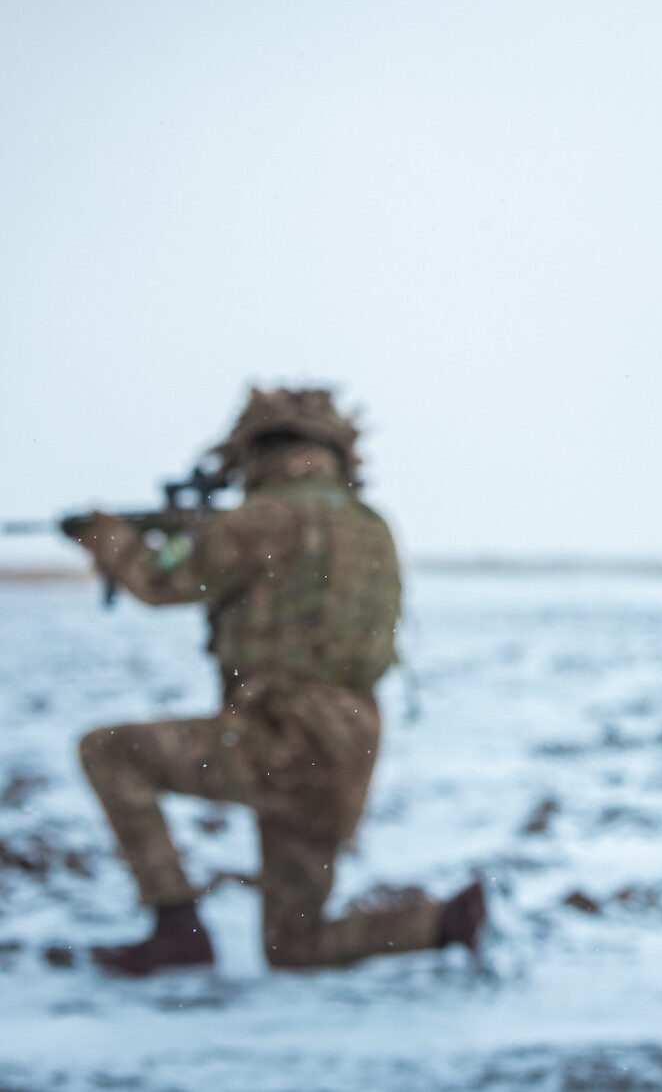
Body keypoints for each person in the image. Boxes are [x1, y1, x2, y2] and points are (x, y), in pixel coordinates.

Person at [72, 387, 485, 975]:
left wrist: (109, 539)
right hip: (346, 751)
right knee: (295, 946)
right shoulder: (371, 526)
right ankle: (443, 922)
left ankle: (175, 926)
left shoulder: (263, 518)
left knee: (108, 753)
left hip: (277, 741)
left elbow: (164, 584)